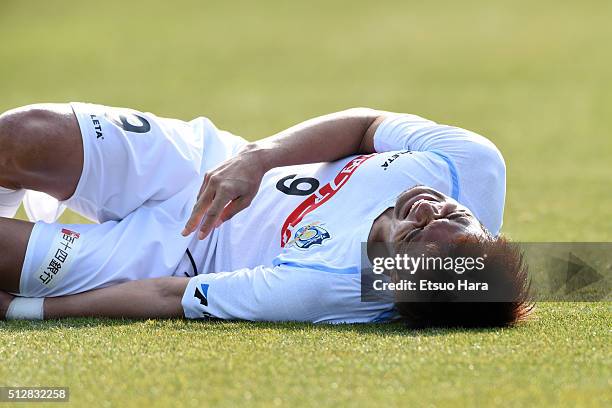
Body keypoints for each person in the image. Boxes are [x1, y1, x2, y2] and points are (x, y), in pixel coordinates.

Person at [0, 103, 531, 326]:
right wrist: (259, 158)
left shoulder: (324, 287)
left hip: (174, 255)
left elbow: (169, 296)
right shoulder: (472, 164)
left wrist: (24, 311)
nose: (426, 208)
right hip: (206, 161)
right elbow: (366, 124)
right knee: (19, 136)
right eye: (457, 217)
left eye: (415, 236)